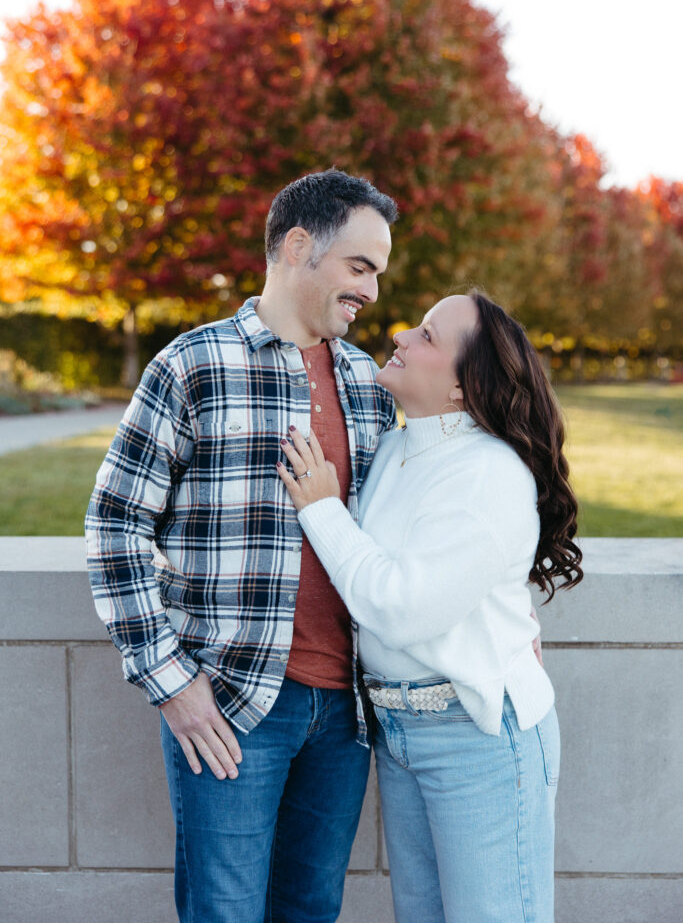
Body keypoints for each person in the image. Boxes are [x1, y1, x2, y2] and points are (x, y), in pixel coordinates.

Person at [85, 168, 398, 923]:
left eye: (378, 274)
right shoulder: (192, 366)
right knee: (223, 912)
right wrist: (172, 684)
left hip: (347, 714)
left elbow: (418, 531)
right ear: (298, 246)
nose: (372, 293)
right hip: (231, 702)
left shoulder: (367, 383)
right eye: (359, 268)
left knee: (311, 910)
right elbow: (115, 526)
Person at [276, 290, 583, 923]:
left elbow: (401, 607)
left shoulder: (490, 473)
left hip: (479, 737)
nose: (403, 338)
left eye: (426, 336)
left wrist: (321, 509)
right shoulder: (396, 452)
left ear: (464, 389)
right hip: (398, 733)